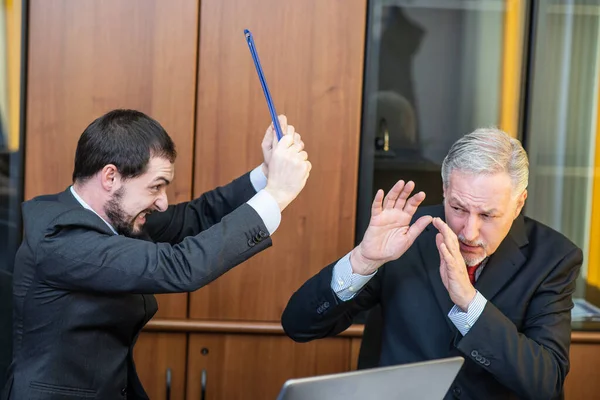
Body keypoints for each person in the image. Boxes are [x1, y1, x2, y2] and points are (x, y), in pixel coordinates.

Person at [2, 109, 311, 400]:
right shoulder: (62, 237)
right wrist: (277, 195)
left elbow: (195, 216)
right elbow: (180, 267)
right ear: (110, 177)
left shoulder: (115, 217)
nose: (162, 203)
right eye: (155, 187)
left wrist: (265, 175)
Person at [281, 128, 582, 400]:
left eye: (488, 215)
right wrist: (364, 259)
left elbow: (546, 383)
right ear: (445, 190)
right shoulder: (403, 234)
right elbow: (298, 326)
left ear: (519, 203)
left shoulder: (554, 258)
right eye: (458, 208)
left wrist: (469, 302)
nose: (469, 231)